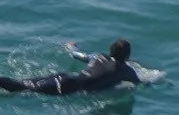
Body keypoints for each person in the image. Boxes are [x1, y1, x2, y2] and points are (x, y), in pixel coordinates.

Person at [1, 39, 143, 96]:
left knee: (22, 84)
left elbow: (76, 54)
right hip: (69, 88)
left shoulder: (98, 56)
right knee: (22, 89)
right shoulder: (127, 71)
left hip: (65, 77)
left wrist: (71, 46)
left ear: (110, 50)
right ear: (127, 56)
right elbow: (140, 83)